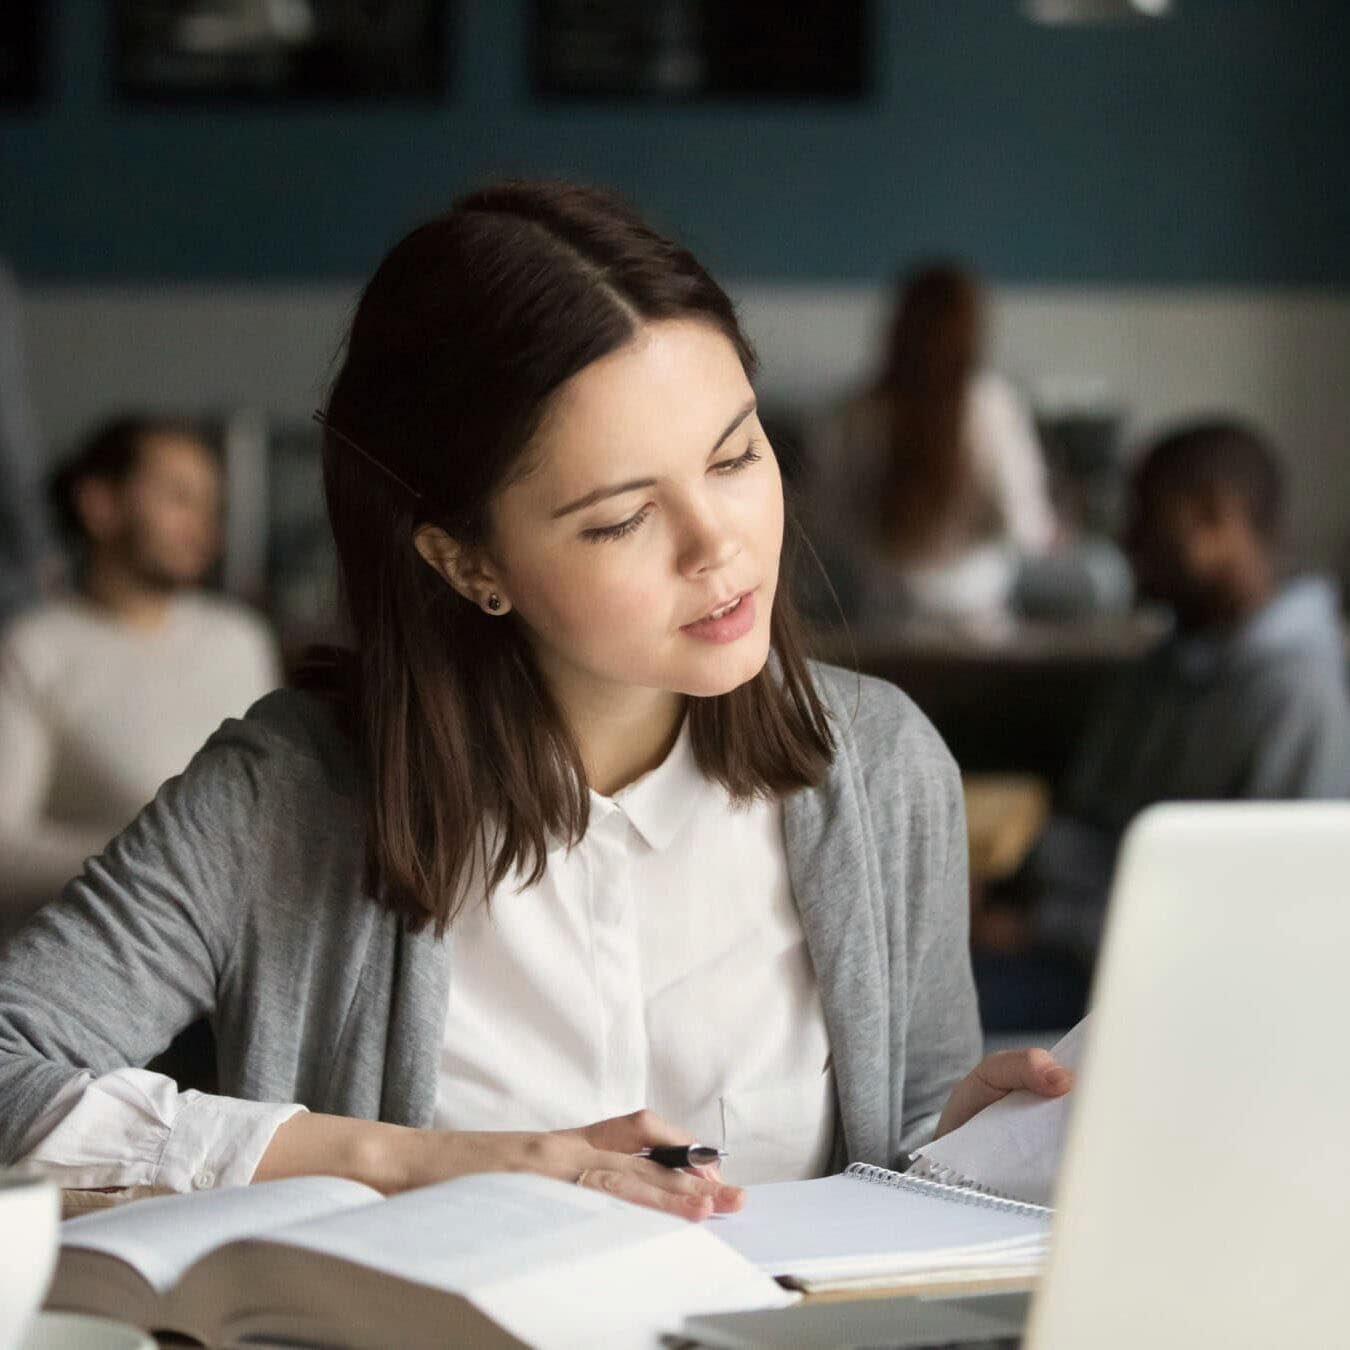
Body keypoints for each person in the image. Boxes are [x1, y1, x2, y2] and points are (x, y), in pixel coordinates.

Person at [0, 182, 1070, 1219]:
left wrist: (945, 1152)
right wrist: (414, 1164)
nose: (722, 545)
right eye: (620, 519)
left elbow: (891, 1172)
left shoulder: (881, 768)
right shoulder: (285, 798)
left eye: (737, 455)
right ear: (467, 563)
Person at [973, 419, 1350, 1027]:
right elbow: (1086, 819)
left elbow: (1268, 915)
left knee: (932, 1015)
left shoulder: (1297, 696)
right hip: (1073, 941)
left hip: (1155, 983)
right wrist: (997, 893)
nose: (1129, 540)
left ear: (1215, 518)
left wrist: (1034, 924)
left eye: (1148, 517)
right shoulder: (1163, 663)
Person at [0, 416, 280, 930]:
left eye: (210, 505)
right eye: (179, 498)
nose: (203, 526)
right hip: (93, 962)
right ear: (100, 505)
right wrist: (159, 849)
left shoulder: (241, 640)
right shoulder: (33, 649)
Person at [805, 262, 1057, 624]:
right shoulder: (991, 406)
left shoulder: (853, 413)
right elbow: (1024, 526)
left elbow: (824, 526)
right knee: (1103, 573)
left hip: (881, 602)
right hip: (979, 605)